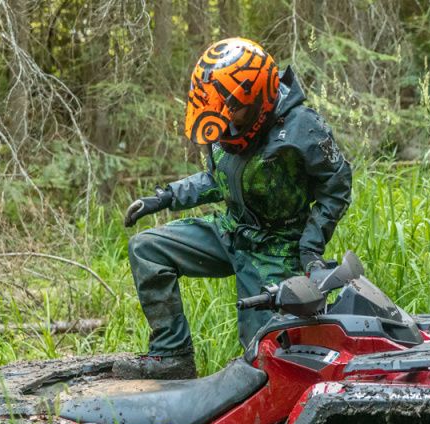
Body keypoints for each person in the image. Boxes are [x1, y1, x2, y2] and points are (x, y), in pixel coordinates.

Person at [115, 37, 352, 379]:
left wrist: (310, 246)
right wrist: (164, 197)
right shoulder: (224, 128)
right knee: (148, 249)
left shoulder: (302, 128)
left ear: (257, 97)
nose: (226, 117)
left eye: (233, 107)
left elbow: (337, 184)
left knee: (268, 354)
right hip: (231, 230)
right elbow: (217, 178)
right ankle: (171, 356)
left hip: (277, 247)